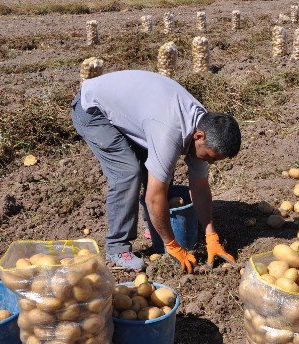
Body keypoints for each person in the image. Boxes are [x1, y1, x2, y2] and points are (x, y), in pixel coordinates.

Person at [71, 70, 240, 272]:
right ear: (199, 136)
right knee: (128, 172)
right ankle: (117, 246)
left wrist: (211, 235)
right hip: (92, 108)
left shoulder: (205, 130)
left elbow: (200, 186)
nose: (211, 163)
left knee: (156, 173)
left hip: (137, 110)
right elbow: (154, 197)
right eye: (211, 157)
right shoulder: (170, 131)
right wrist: (172, 245)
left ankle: (153, 228)